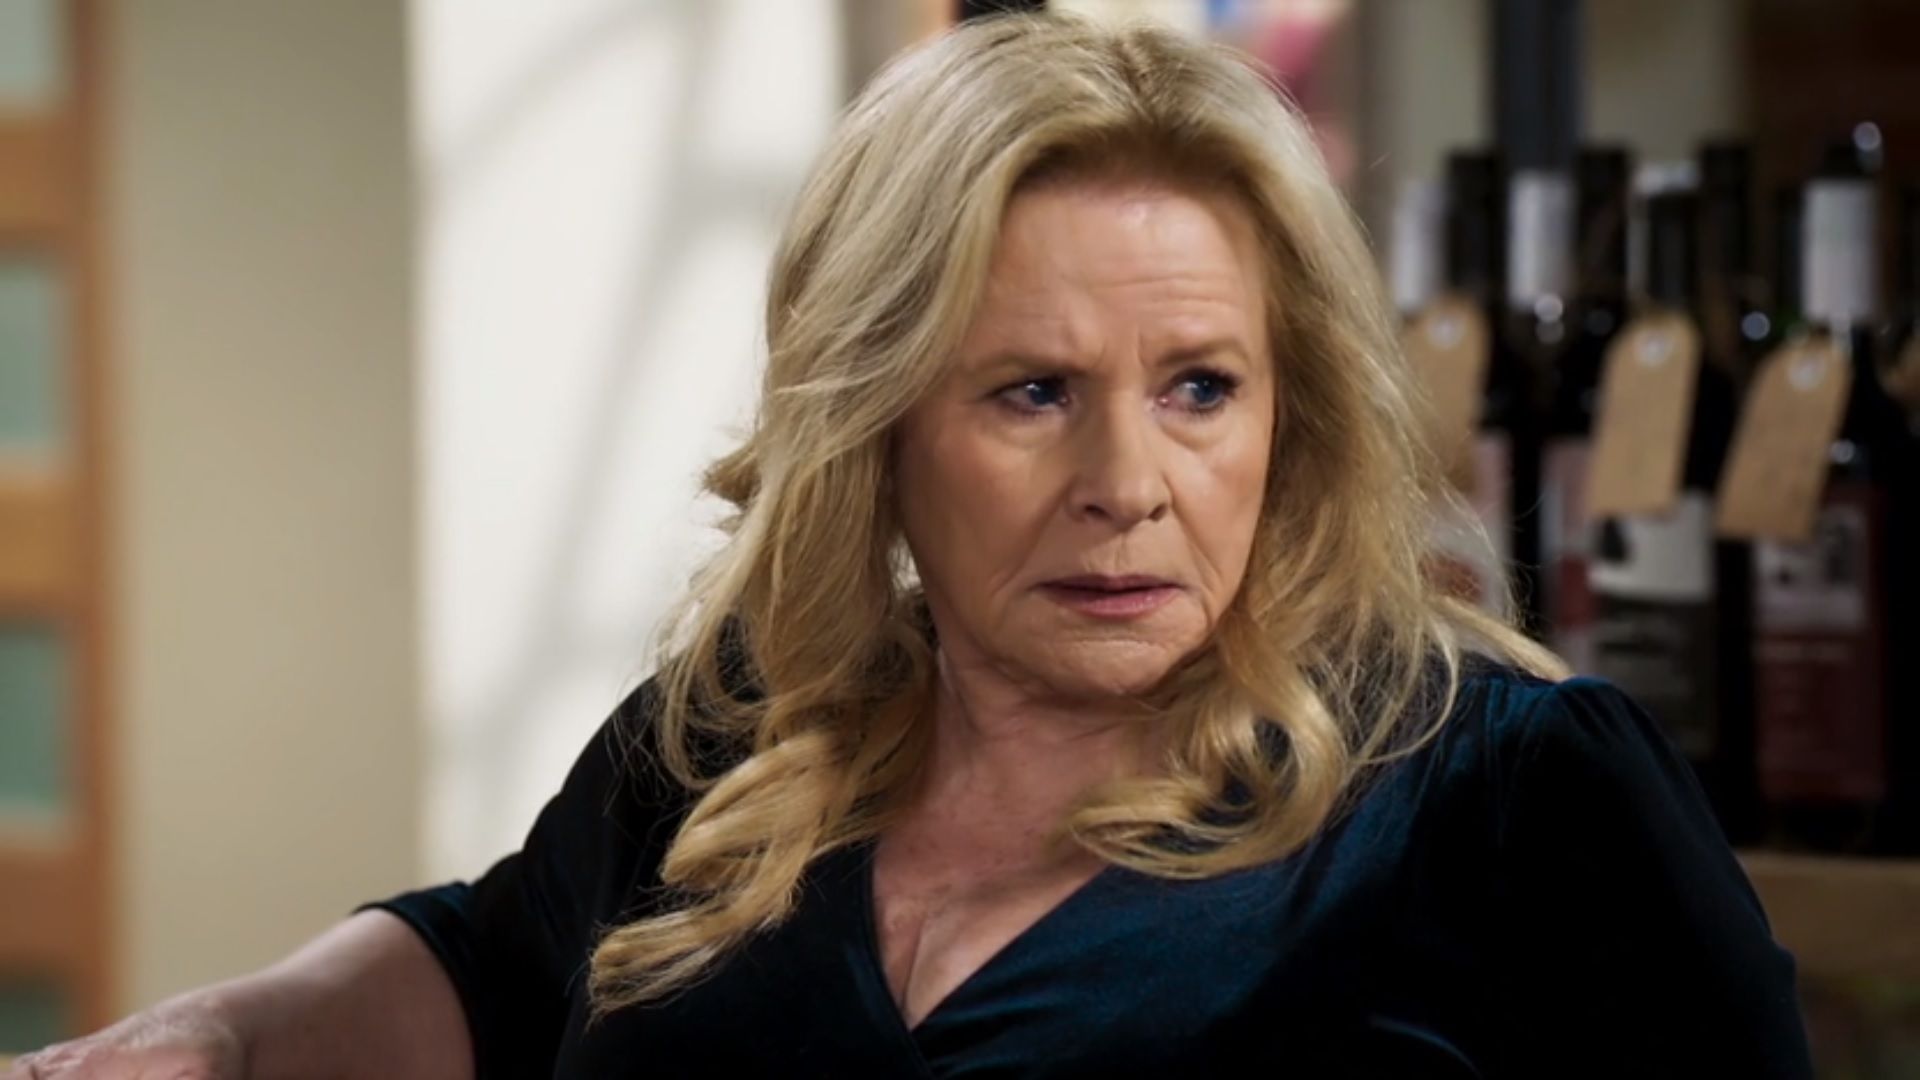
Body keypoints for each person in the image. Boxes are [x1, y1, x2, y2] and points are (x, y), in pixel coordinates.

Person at [9, 12, 1812, 1079]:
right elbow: (491, 966)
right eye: (1031, 392)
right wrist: (232, 1037)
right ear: (873, 426)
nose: (1127, 482)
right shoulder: (741, 735)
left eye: (1199, 387)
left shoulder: (1511, 796)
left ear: (1294, 412)